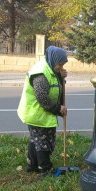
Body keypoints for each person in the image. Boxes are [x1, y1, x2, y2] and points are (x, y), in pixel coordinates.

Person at [17, 46, 68, 180]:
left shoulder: (50, 68)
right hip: (36, 113)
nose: (61, 67)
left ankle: (32, 165)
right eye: (60, 64)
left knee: (36, 140)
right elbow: (42, 97)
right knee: (42, 141)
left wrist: (60, 76)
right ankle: (45, 169)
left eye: (63, 65)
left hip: (42, 113)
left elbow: (55, 85)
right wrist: (58, 108)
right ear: (53, 60)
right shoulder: (40, 73)